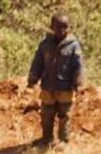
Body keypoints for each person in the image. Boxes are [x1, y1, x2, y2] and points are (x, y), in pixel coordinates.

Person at [27, 13, 85, 146]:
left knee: (64, 115)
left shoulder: (73, 46)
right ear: (51, 27)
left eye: (65, 27)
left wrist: (77, 83)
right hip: (47, 86)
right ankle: (46, 139)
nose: (62, 31)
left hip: (65, 88)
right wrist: (33, 78)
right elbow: (38, 62)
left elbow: (78, 66)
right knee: (46, 114)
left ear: (70, 27)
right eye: (58, 27)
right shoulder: (45, 44)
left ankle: (63, 140)